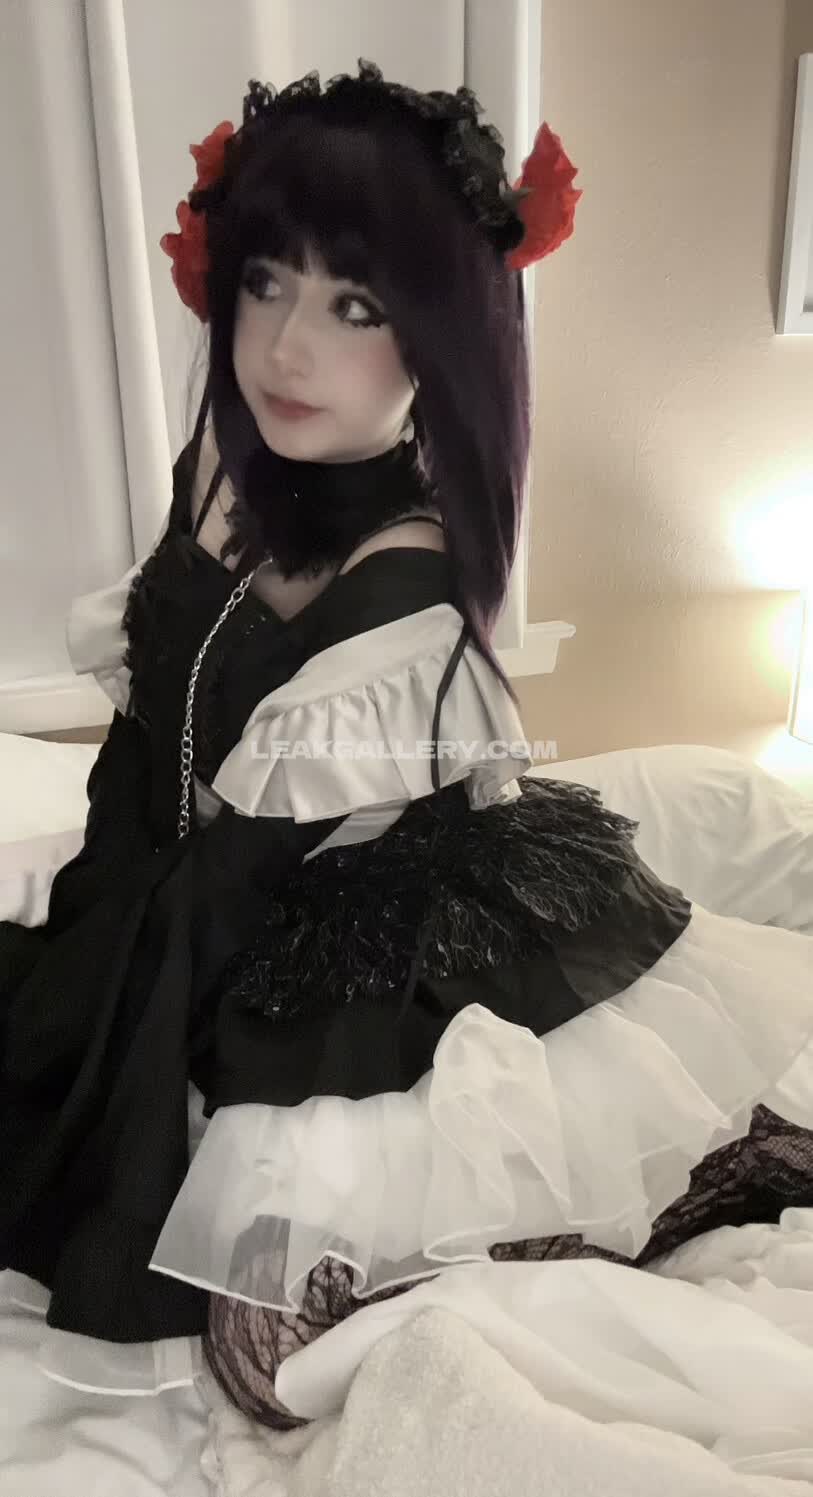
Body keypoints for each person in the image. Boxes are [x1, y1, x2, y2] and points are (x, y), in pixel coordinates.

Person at [0, 59, 811, 1427]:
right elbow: (143, 777)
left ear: (439, 336)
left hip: (359, 962)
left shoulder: (409, 588)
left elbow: (229, 892)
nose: (285, 348)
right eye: (266, 282)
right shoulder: (226, 472)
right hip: (207, 916)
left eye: (357, 305)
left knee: (274, 1346)